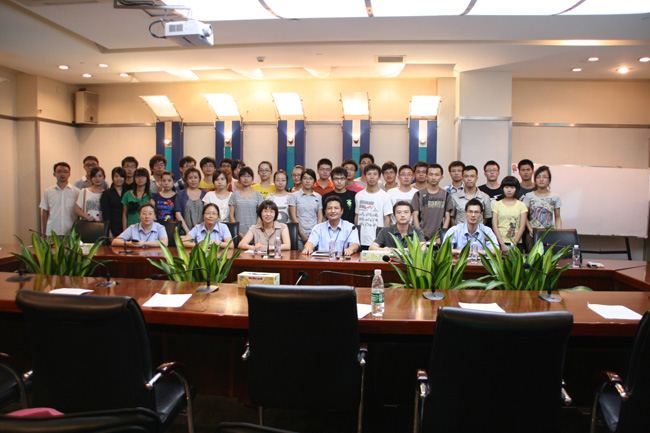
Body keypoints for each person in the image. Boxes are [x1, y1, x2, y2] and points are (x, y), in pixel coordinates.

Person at [355, 163, 392, 250]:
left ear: (379, 177)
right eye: (369, 174)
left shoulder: (385, 196)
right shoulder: (359, 195)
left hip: (377, 240)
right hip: (361, 239)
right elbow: (357, 216)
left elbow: (387, 218)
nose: (372, 177)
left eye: (375, 174)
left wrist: (383, 238)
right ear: (364, 176)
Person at [412, 163, 452, 242]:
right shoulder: (418, 194)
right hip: (422, 237)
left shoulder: (446, 195)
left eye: (437, 175)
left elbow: (447, 217)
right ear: (426, 176)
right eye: (431, 174)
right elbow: (415, 216)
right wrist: (419, 235)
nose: (433, 178)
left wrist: (442, 235)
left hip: (438, 238)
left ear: (441, 177)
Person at [524, 165, 563, 242]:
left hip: (549, 232)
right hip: (533, 233)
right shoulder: (528, 196)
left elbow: (557, 217)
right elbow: (524, 216)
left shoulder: (555, 197)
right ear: (535, 180)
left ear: (549, 180)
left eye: (544, 177)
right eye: (538, 177)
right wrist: (530, 229)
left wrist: (559, 232)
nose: (541, 179)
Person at [40, 162, 79, 236]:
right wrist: (44, 231)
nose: (62, 174)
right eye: (59, 171)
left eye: (65, 172)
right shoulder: (48, 192)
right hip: (52, 231)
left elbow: (79, 213)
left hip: (70, 232)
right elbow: (45, 212)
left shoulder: (77, 192)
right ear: (54, 174)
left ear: (69, 174)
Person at [289, 168, 323, 250]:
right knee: (299, 256)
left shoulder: (318, 197)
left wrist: (316, 233)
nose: (308, 181)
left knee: (314, 256)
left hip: (314, 234)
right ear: (301, 180)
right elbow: (293, 217)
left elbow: (320, 216)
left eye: (310, 179)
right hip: (299, 234)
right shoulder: (294, 196)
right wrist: (302, 234)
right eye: (305, 178)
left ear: (314, 181)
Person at [492, 176, 528, 253]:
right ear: (502, 188)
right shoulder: (497, 204)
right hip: (500, 242)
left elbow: (522, 227)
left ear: (516, 189)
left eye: (512, 187)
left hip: (517, 243)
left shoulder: (521, 205)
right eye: (506, 187)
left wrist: (514, 243)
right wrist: (502, 244)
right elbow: (495, 225)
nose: (509, 190)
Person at [229, 166, 264, 237]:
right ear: (239, 178)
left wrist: (254, 230)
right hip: (238, 233)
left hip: (254, 233)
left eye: (248, 176)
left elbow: (260, 216)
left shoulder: (258, 195)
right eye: (243, 176)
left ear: (252, 179)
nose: (246, 178)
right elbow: (231, 216)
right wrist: (238, 232)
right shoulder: (234, 195)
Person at [174, 167, 206, 233]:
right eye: (190, 178)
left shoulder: (205, 194)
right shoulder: (180, 194)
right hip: (184, 232)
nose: (193, 180)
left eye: (195, 177)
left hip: (202, 231)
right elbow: (178, 214)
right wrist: (188, 232)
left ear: (199, 179)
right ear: (186, 180)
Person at [101, 167, 126, 238]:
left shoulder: (128, 193)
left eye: (121, 176)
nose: (119, 179)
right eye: (116, 176)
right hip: (112, 228)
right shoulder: (107, 193)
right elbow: (106, 214)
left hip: (126, 227)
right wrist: (108, 231)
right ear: (112, 178)